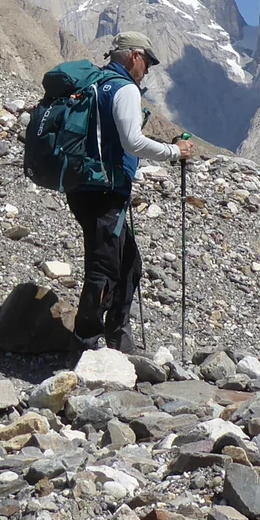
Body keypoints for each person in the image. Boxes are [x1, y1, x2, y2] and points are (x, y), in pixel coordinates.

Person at [70, 32, 193, 351]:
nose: (148, 69)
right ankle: (85, 343)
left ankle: (117, 336)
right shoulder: (124, 88)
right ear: (134, 56)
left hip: (84, 185)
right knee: (104, 268)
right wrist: (174, 152)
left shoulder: (97, 82)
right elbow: (132, 141)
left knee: (128, 263)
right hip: (105, 190)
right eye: (148, 61)